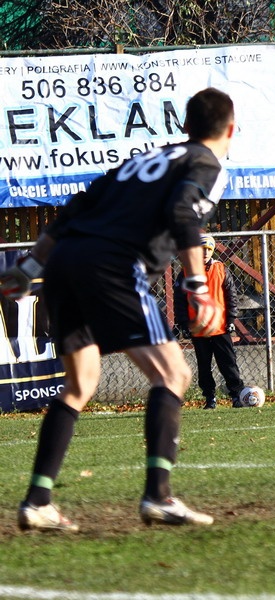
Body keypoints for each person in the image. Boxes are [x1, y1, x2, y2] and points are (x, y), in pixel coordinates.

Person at [0, 87, 235, 532]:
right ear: (231, 127)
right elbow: (183, 214)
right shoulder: (205, 162)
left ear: (186, 126)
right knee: (173, 375)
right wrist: (198, 285)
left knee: (80, 383)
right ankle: (158, 497)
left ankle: (38, 501)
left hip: (66, 261)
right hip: (112, 264)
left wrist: (30, 265)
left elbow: (78, 207)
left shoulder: (141, 160)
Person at [174, 234, 245, 409]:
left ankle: (236, 395)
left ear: (212, 251)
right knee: (204, 366)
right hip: (199, 329)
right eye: (201, 249)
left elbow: (231, 297)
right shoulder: (185, 272)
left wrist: (231, 319)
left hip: (221, 327)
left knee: (228, 363)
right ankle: (210, 398)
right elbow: (180, 301)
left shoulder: (222, 269)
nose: (205, 253)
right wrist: (184, 323)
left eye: (208, 250)